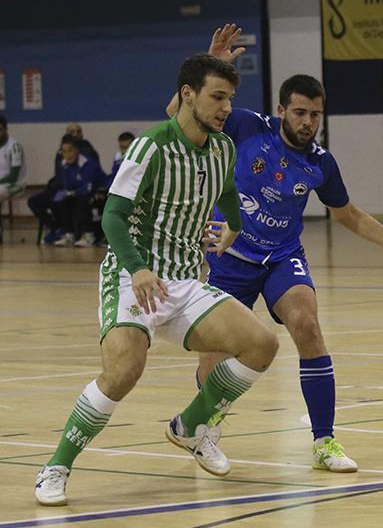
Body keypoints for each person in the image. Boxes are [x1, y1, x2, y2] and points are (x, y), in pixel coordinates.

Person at [167, 24, 383, 473]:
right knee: (214, 355)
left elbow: (350, 215)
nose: (307, 122)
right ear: (281, 109)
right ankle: (205, 431)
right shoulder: (245, 126)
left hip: (282, 257)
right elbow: (181, 121)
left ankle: (324, 442)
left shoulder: (321, 163)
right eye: (299, 113)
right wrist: (213, 65)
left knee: (307, 324)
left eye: (315, 114)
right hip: (229, 256)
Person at [34, 53, 280, 506]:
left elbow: (226, 192)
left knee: (262, 344)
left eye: (231, 98)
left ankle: (190, 426)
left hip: (185, 282)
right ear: (188, 95)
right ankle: (56, 467)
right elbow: (112, 216)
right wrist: (138, 267)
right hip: (133, 277)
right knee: (123, 372)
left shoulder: (223, 147)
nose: (227, 107)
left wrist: (236, 225)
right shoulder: (150, 146)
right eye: (218, 97)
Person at [49, 134, 103, 247]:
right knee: (58, 200)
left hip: (97, 192)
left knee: (83, 200)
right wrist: (65, 194)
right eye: (64, 152)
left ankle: (89, 235)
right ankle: (69, 234)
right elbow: (66, 185)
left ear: (77, 150)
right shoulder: (64, 165)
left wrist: (71, 192)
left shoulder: (88, 164)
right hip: (76, 193)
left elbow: (87, 188)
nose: (68, 155)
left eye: (70, 150)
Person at [0, 115, 25, 201]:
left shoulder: (14, 147)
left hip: (16, 185)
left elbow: (13, 177)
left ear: (6, 129)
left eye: (0, 130)